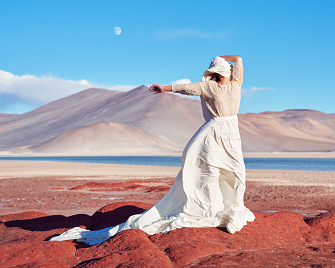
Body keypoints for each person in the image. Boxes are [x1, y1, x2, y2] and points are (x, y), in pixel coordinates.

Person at [50, 55, 254, 245]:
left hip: (232, 134)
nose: (228, 69)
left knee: (236, 171)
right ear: (220, 71)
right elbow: (187, 88)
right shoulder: (209, 86)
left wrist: (222, 56)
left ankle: (229, 205)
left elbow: (238, 59)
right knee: (209, 172)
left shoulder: (237, 84)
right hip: (213, 132)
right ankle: (210, 208)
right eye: (224, 68)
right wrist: (164, 88)